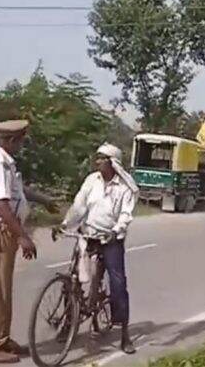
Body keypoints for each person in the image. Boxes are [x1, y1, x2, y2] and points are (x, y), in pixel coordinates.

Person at [0, 120, 58, 364]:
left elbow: (18, 191)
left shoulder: (3, 161)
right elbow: (1, 204)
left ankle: (2, 338)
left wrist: (43, 199)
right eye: (20, 140)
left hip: (1, 230)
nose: (22, 145)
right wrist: (22, 235)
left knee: (3, 288)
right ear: (11, 140)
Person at [61, 143, 138, 354]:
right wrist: (65, 224)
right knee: (72, 278)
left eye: (102, 159)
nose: (97, 162)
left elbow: (125, 214)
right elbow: (79, 205)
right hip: (89, 235)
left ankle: (124, 334)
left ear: (113, 162)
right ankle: (68, 323)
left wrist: (116, 230)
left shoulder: (124, 187)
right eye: (97, 158)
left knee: (118, 284)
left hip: (111, 239)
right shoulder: (91, 180)